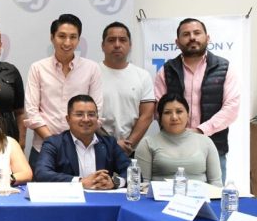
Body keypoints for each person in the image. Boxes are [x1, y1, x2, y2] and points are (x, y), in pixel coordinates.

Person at [154, 18, 239, 182]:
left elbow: (231, 108)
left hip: (213, 148)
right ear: (177, 42)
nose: (192, 37)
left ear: (208, 38)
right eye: (186, 34)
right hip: (172, 150)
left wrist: (200, 131)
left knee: (213, 195)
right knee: (172, 195)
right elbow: (159, 109)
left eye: (197, 33)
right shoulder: (166, 71)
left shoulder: (224, 68)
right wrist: (181, 134)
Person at [25, 13, 103, 172]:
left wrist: (71, 144)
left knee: (83, 188)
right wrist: (54, 143)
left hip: (81, 150)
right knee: (40, 188)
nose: (67, 42)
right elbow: (31, 111)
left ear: (79, 40)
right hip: (44, 148)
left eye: (73, 37)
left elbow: (97, 111)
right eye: (62, 36)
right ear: (52, 37)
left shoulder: (92, 69)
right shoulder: (38, 68)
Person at [35, 95, 130, 190]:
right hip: (70, 198)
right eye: (79, 114)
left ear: (97, 118)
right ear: (68, 119)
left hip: (102, 197)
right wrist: (80, 182)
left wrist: (114, 182)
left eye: (91, 114)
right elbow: (42, 173)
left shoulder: (110, 144)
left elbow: (132, 171)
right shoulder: (54, 143)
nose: (86, 119)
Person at [135, 93, 222, 187]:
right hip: (160, 196)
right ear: (160, 117)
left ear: (188, 115)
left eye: (179, 111)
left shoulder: (206, 142)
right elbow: (142, 185)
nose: (174, 117)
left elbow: (216, 183)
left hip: (200, 196)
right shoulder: (147, 144)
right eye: (167, 112)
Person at [98, 22, 155, 155]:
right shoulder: (92, 73)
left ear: (130, 45)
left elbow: (147, 115)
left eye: (123, 40)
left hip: (130, 149)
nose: (117, 44)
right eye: (111, 40)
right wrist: (112, 144)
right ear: (103, 45)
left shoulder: (142, 76)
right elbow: (87, 116)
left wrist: (128, 144)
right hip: (97, 147)